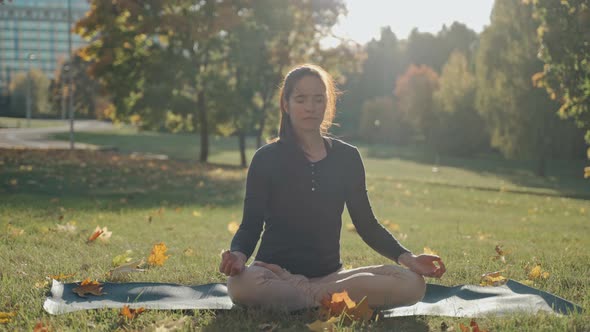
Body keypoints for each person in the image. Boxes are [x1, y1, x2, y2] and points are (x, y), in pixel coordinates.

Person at [219, 64, 446, 312]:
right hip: (273, 275)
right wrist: (239, 257)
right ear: (286, 104)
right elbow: (250, 225)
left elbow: (367, 224)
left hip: (331, 277)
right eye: (301, 99)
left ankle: (308, 299)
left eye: (318, 99)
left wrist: (408, 258)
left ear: (327, 103)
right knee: (240, 285)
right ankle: (327, 301)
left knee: (412, 283)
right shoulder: (266, 158)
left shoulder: (347, 157)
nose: (310, 107)